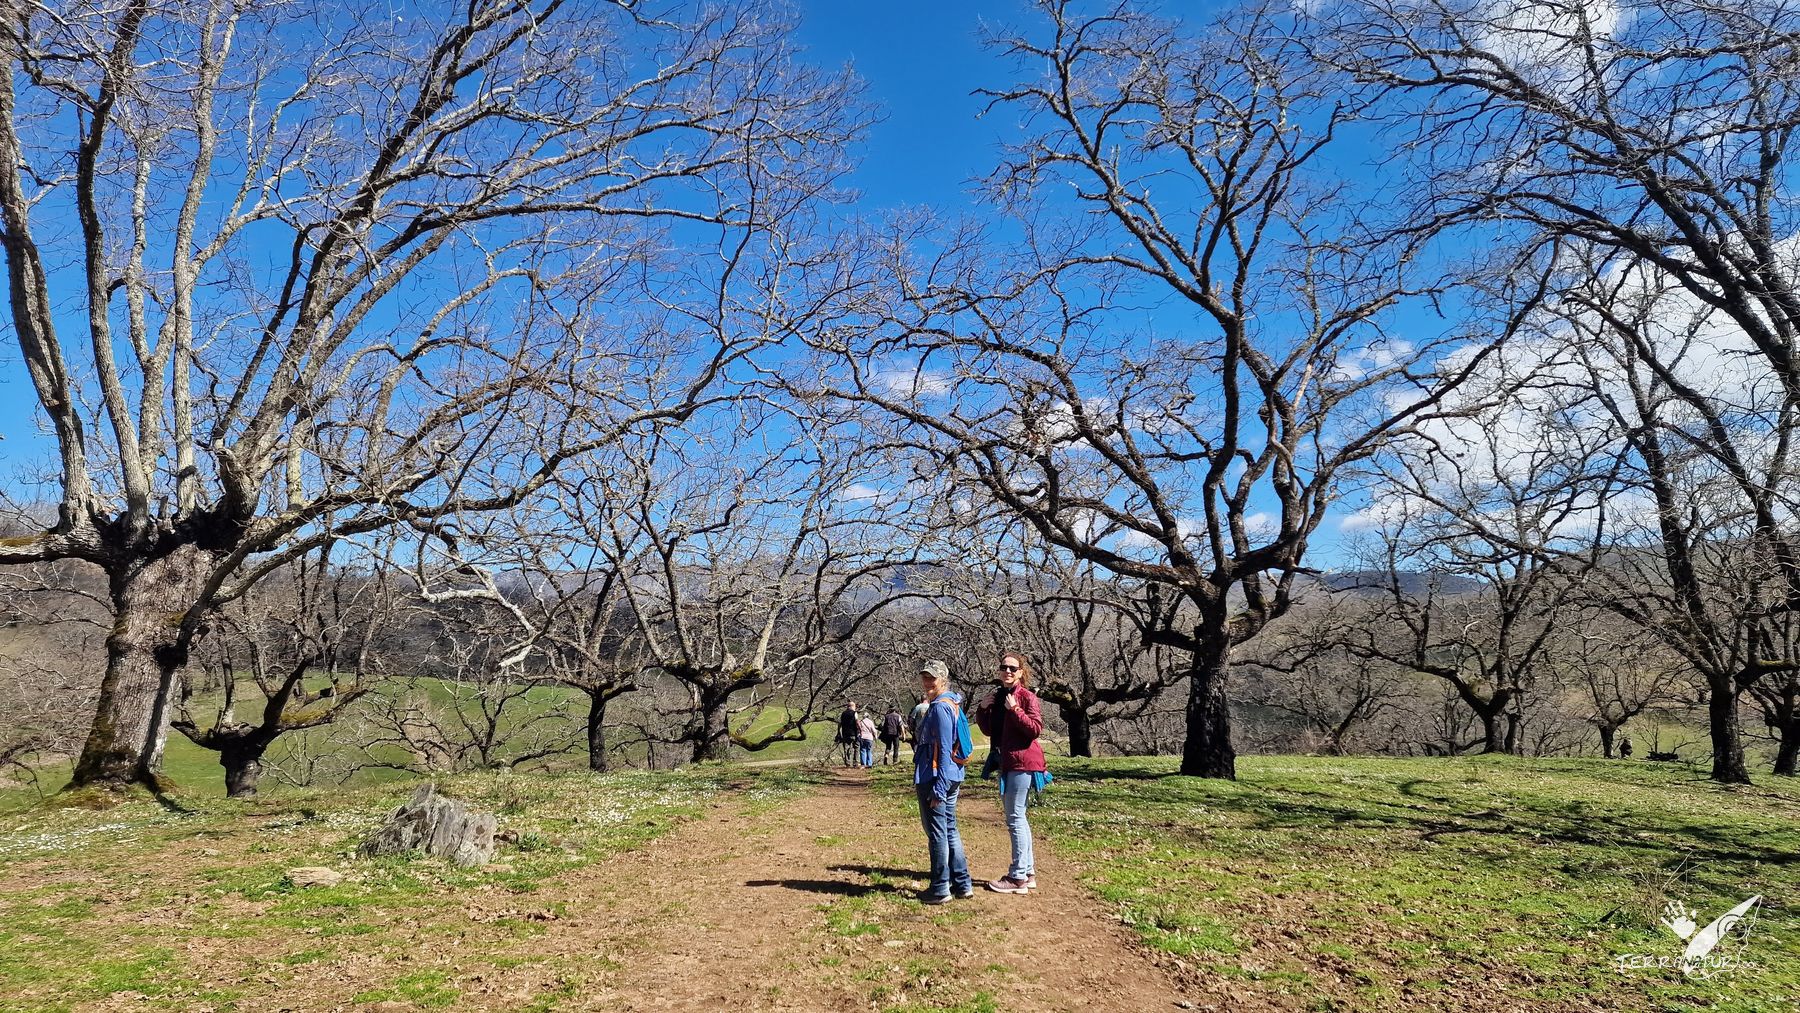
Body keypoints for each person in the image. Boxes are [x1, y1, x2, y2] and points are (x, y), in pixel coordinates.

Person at [974, 651, 1045, 895]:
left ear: (1021, 672)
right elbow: (988, 730)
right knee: (1019, 818)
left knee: (1014, 818)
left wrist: (1015, 710)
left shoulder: (1026, 697)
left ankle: (1017, 878)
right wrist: (983, 709)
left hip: (1023, 762)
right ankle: (1028, 872)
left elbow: (1035, 729)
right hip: (1007, 761)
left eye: (1013, 668)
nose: (1007, 671)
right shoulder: (999, 696)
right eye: (1004, 667)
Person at [913, 660, 973, 904]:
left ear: (943, 679)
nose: (928, 682)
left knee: (938, 833)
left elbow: (945, 748)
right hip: (950, 775)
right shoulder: (953, 703)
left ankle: (940, 888)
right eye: (925, 677)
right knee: (949, 830)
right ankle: (962, 883)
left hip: (937, 778)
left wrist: (938, 788)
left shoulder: (940, 708)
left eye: (933, 678)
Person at [836, 701, 860, 768]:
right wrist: (860, 730)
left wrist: (838, 732)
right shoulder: (854, 713)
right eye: (855, 706)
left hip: (845, 734)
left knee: (846, 749)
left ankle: (847, 763)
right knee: (856, 748)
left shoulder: (843, 713)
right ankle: (855, 763)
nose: (855, 708)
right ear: (852, 706)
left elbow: (839, 724)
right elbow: (857, 722)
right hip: (854, 733)